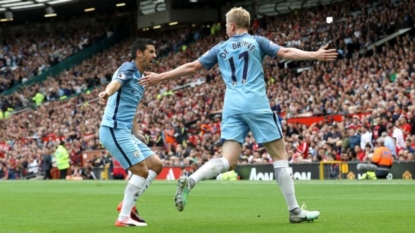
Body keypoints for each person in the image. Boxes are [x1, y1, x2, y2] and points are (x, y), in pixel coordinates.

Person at [140, 7, 337, 223]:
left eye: (226, 26)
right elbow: (285, 53)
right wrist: (315, 55)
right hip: (255, 103)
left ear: (232, 26)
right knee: (280, 156)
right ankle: (295, 211)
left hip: (232, 106)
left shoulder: (220, 48)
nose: (225, 29)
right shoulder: (257, 42)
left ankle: (192, 180)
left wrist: (161, 77)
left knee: (229, 160)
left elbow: (193, 66)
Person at [98, 38, 163, 227]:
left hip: (126, 131)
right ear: (139, 53)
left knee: (156, 165)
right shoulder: (128, 68)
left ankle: (129, 203)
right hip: (113, 129)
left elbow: (131, 108)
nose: (154, 55)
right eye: (151, 51)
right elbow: (116, 83)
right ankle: (124, 217)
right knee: (141, 170)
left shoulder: (142, 80)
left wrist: (137, 132)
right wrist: (106, 93)